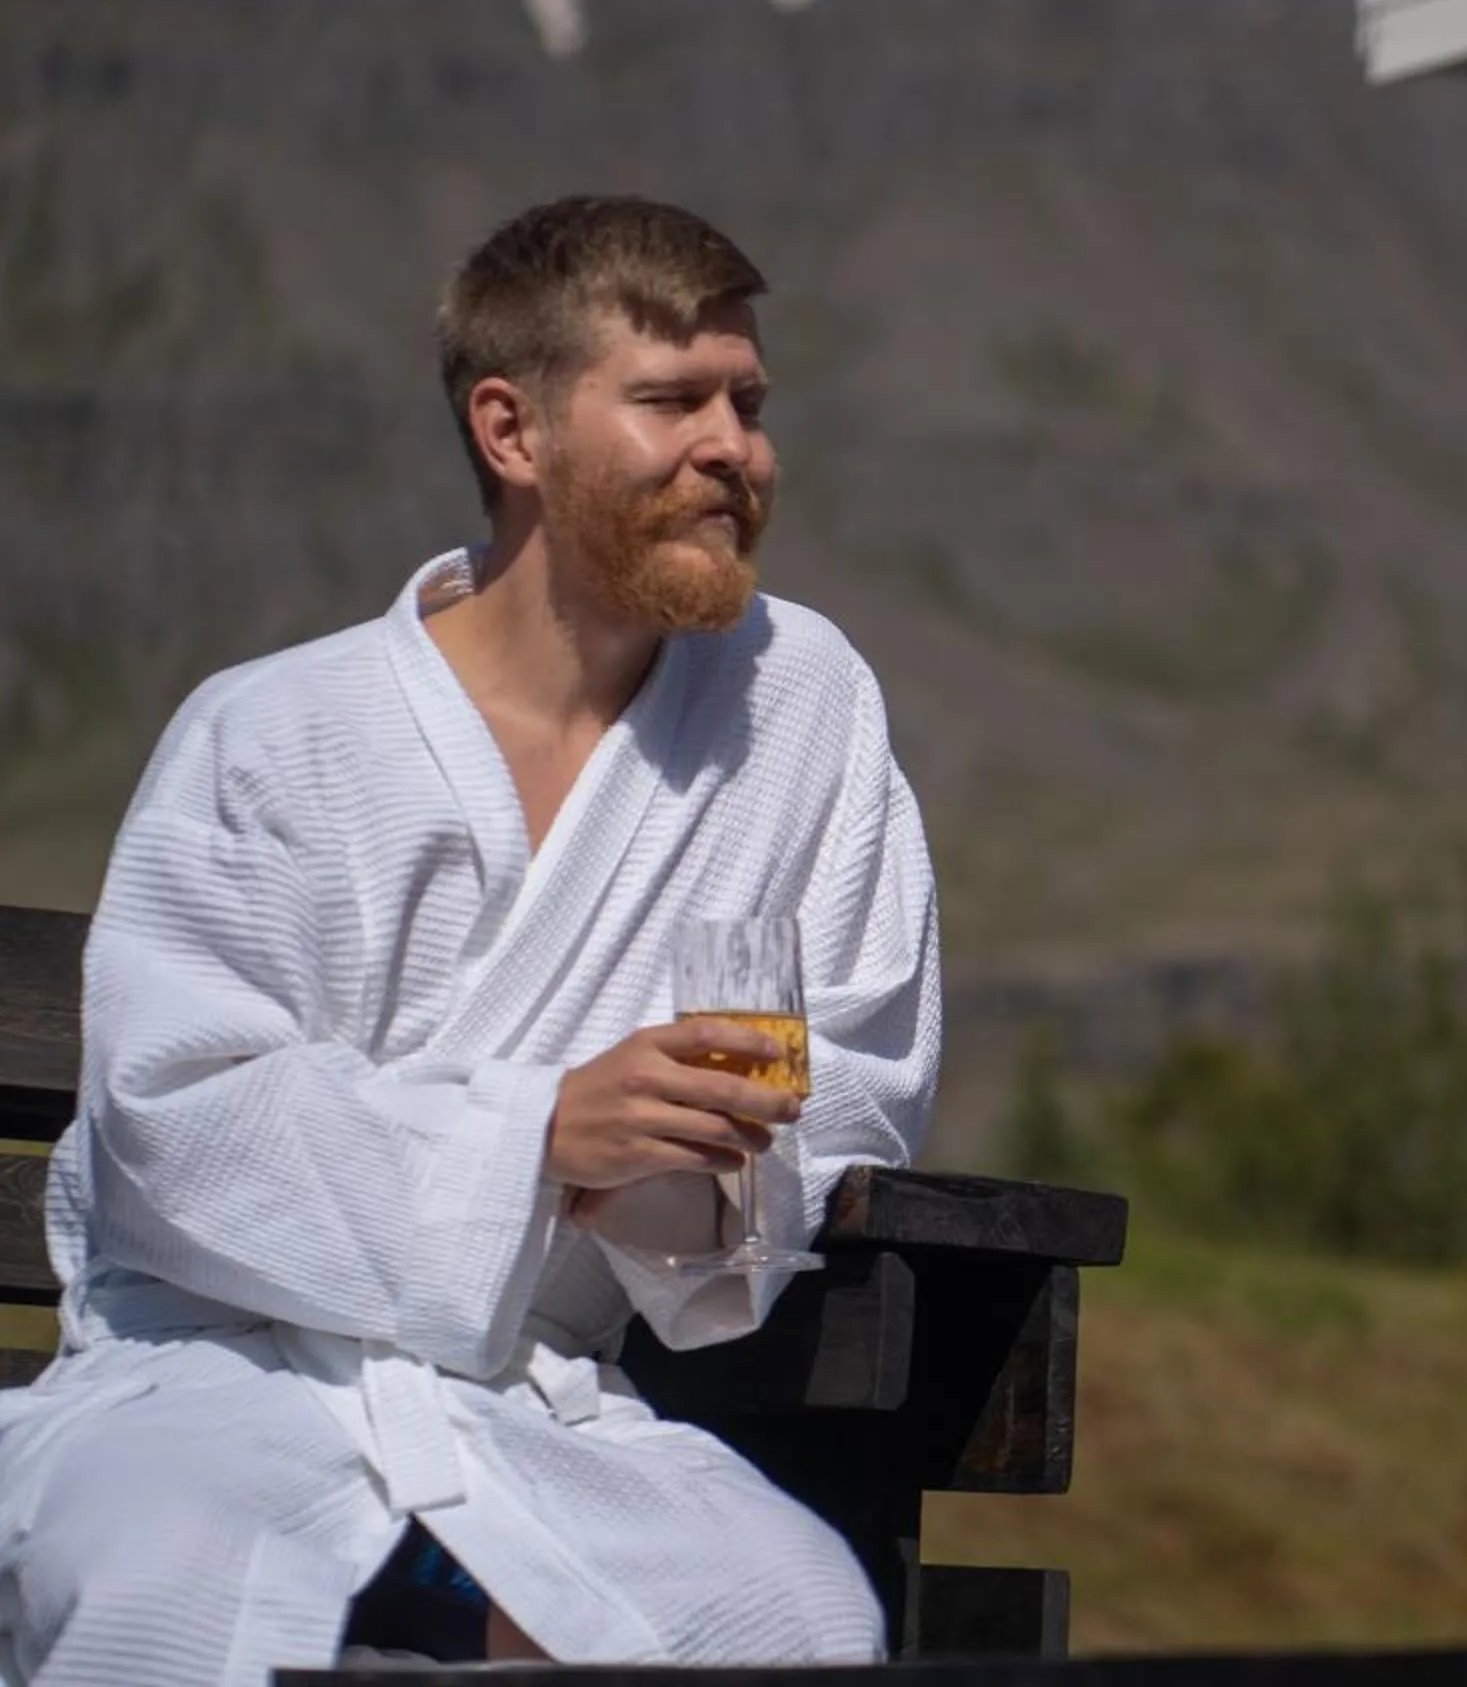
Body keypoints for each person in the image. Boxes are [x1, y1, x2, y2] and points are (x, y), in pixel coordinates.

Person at [0, 197, 942, 1679]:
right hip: (220, 1376)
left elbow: (856, 1073)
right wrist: (541, 1138)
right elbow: (178, 1111)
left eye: (748, 405)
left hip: (534, 1392)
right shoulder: (278, 734)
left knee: (793, 1615)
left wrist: (681, 1193)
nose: (733, 451)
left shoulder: (801, 707)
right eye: (672, 402)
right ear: (512, 431)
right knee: (178, 1593)